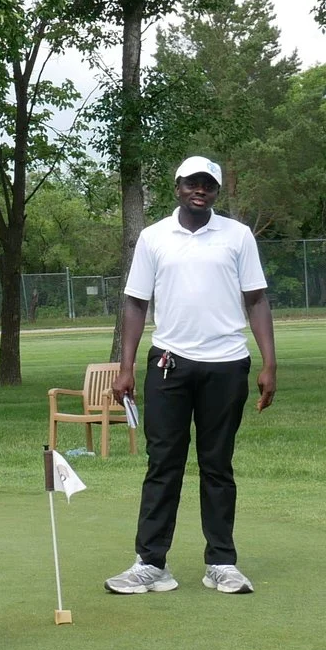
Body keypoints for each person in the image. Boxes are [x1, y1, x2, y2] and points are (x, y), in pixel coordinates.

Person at [103, 156, 278, 596]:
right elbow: (136, 303)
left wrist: (269, 363)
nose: (200, 190)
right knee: (163, 464)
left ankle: (221, 562)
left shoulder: (237, 237)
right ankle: (150, 564)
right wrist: (125, 367)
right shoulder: (153, 237)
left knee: (217, 465)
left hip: (227, 363)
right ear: (177, 186)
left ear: (217, 192)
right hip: (169, 364)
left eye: (209, 185)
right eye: (192, 183)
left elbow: (256, 299)